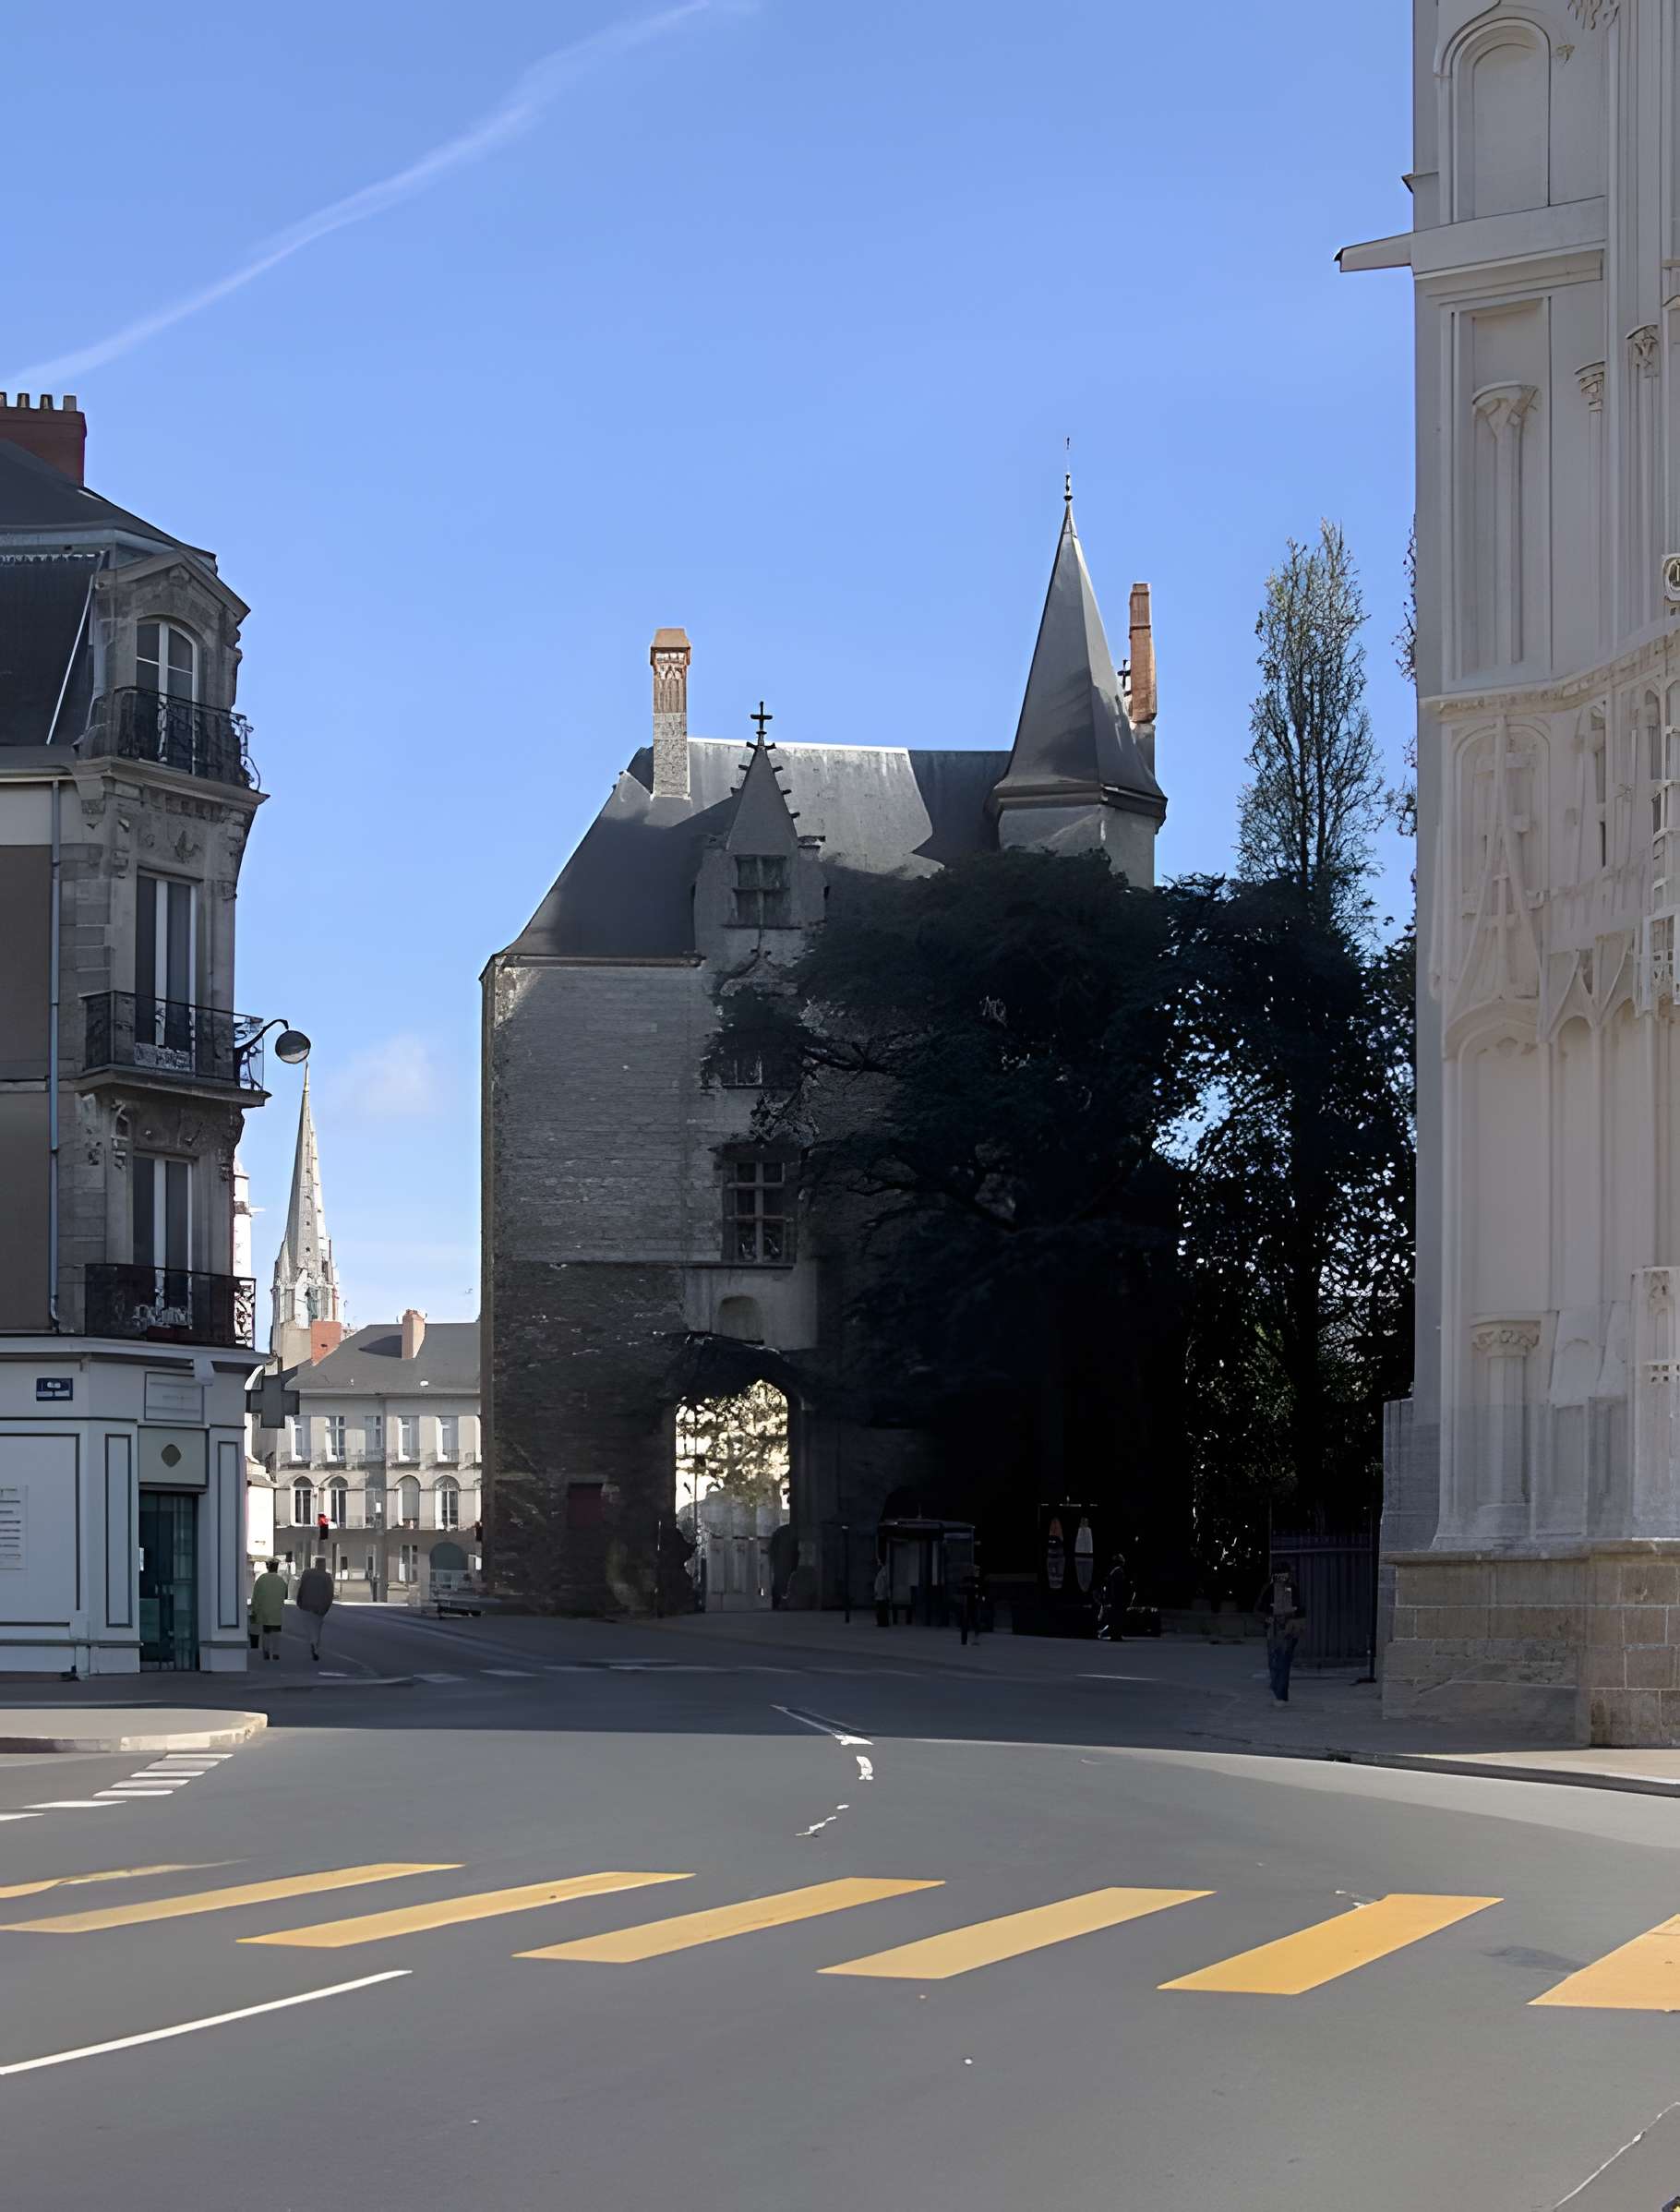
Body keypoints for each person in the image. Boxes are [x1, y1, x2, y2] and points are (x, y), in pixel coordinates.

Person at [1256, 1557, 1306, 1703]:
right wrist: (1269, 1619)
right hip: (1274, 1630)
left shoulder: (1293, 1589)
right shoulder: (1269, 1589)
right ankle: (1279, 1693)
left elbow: (1301, 1609)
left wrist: (1294, 1621)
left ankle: (1281, 1695)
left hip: (1288, 1630)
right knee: (1276, 1662)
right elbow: (1259, 1610)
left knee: (1283, 1663)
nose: (1283, 1578)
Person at [295, 1554, 335, 1663]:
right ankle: (315, 1645)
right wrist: (327, 1607)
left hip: (306, 1604)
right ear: (324, 1565)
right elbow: (330, 1594)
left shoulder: (307, 1573)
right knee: (317, 1628)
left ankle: (313, 1642)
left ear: (316, 1564)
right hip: (320, 1607)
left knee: (309, 1626)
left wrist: (299, 1601)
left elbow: (301, 1588)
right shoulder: (327, 1577)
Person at [249, 1558, 287, 1664]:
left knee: (266, 1631)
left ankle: (266, 1650)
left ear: (268, 1567)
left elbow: (255, 1596)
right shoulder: (281, 1580)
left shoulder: (261, 1579)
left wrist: (255, 1609)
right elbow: (284, 1596)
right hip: (276, 1610)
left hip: (264, 1610)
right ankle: (276, 1652)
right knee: (276, 1631)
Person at [1098, 1551, 1130, 1642]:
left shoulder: (1111, 1571)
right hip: (1116, 1600)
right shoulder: (1118, 1571)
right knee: (1117, 1618)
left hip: (1112, 1600)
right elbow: (1119, 1587)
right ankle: (1116, 1635)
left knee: (1113, 1618)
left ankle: (1114, 1634)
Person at [873, 1558, 891, 1628]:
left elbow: (883, 1584)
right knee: (881, 1610)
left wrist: (882, 1593)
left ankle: (882, 1623)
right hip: (880, 1595)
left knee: (881, 1610)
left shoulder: (882, 1573)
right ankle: (882, 1622)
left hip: (881, 1596)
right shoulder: (881, 1572)